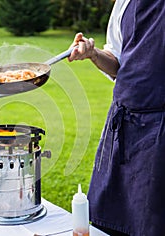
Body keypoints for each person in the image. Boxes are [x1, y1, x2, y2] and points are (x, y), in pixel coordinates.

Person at [67, 0, 165, 235]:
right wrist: (93, 54)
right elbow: (118, 60)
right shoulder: (125, 1)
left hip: (161, 127)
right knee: (114, 221)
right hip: (124, 124)